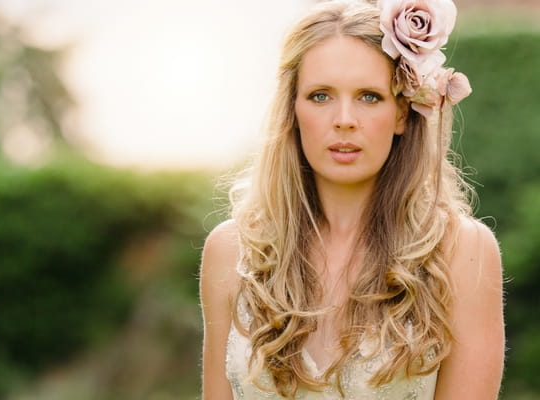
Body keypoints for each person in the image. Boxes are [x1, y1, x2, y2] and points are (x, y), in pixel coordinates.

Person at [200, 0, 504, 398]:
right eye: (321, 96)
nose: (344, 119)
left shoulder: (462, 251)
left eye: (369, 96)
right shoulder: (232, 251)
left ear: (401, 113)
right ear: (293, 109)